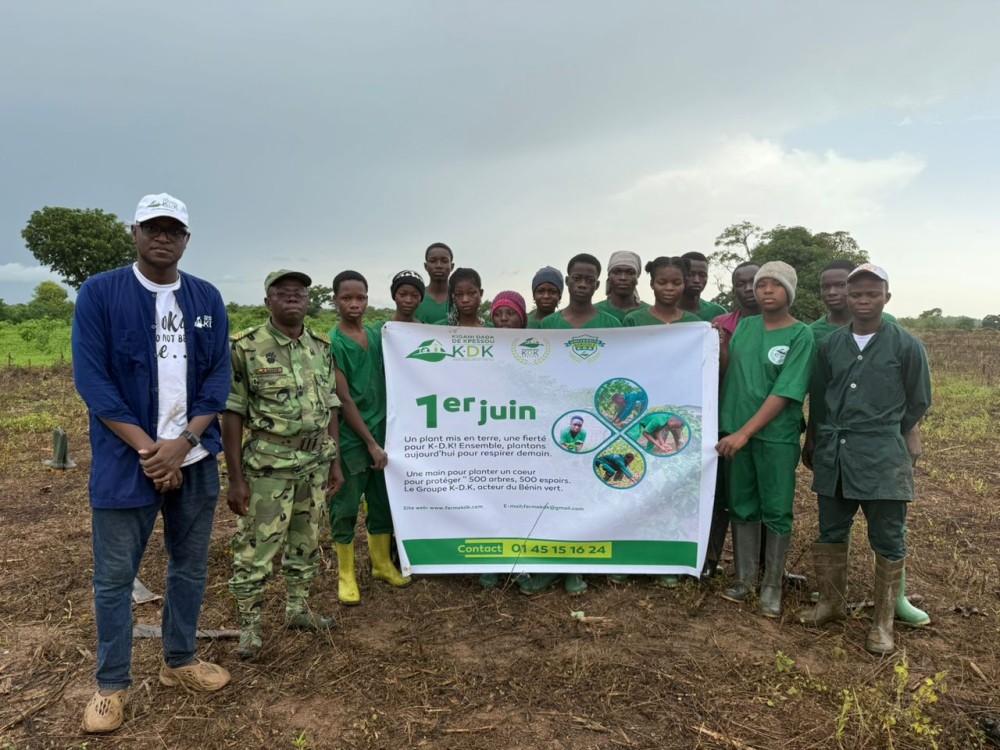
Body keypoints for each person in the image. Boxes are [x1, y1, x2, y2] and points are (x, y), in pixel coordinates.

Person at [72, 193, 231, 733]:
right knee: (115, 579)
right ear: (135, 232)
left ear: (186, 239)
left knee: (189, 567)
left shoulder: (206, 297)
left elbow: (217, 380)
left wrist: (183, 444)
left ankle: (179, 661)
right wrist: (151, 450)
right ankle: (111, 686)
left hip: (195, 457)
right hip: (126, 461)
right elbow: (93, 382)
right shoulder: (100, 293)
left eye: (174, 230)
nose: (163, 237)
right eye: (153, 228)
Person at [798, 264, 931, 654]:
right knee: (831, 528)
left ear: (886, 297)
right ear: (848, 297)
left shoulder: (906, 345)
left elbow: (919, 399)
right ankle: (831, 603)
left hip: (883, 456)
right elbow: (820, 396)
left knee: (888, 536)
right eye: (856, 294)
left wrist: (889, 430)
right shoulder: (831, 345)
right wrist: (817, 439)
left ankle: (883, 621)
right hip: (835, 452)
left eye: (872, 293)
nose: (863, 300)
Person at [225, 270, 344, 657]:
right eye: (283, 293)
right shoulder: (246, 347)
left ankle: (298, 608)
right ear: (268, 302)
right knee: (256, 549)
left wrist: (336, 462)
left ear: (309, 301)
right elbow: (232, 413)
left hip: (314, 463)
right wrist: (236, 479)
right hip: (268, 467)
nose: (293, 299)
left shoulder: (320, 347)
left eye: (300, 294)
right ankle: (250, 625)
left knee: (307, 542)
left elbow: (331, 406)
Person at [716, 261, 814, 617]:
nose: (766, 291)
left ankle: (772, 584)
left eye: (775, 285)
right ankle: (744, 579)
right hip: (733, 432)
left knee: (776, 507)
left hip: (774, 436)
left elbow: (786, 392)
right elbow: (729, 371)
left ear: (789, 291)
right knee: (742, 504)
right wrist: (721, 346)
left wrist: (746, 432)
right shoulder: (744, 328)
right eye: (761, 285)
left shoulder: (800, 335)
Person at [328, 271, 408, 605]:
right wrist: (371, 443)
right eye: (347, 298)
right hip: (351, 438)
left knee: (383, 501)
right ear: (335, 300)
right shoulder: (333, 343)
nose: (355, 304)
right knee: (346, 505)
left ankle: (381, 564)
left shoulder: (376, 335)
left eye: (360, 297)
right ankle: (345, 574)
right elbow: (344, 401)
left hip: (383, 432)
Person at [704, 261, 760, 578]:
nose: (748, 287)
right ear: (733, 286)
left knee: (761, 497)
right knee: (719, 494)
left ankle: (754, 568)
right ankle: (710, 560)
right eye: (741, 282)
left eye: (755, 281)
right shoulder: (720, 324)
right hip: (722, 420)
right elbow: (714, 372)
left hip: (766, 424)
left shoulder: (783, 326)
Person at [809, 259, 898, 344]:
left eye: (840, 285)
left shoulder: (888, 321)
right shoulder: (812, 332)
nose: (832, 292)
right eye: (825, 287)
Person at [540, 254, 622, 329]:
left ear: (597, 285)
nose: (583, 285)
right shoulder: (548, 324)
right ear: (567, 281)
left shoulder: (612, 324)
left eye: (590, 280)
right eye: (576, 278)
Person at [623, 256, 700, 327]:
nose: (669, 288)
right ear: (652, 284)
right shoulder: (633, 320)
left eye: (676, 283)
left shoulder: (694, 322)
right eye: (662, 283)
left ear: (684, 284)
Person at [596, 251, 648, 322]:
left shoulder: (650, 313)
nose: (623, 277)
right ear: (609, 276)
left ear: (637, 277)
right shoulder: (594, 312)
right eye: (616, 272)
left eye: (630, 273)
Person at [680, 251, 727, 322]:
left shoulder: (717, 312)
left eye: (702, 275)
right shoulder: (663, 313)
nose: (697, 280)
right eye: (690, 274)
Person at [414, 242, 453, 323]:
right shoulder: (415, 297)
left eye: (444, 261)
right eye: (433, 261)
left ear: (451, 266)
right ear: (426, 266)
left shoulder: (460, 297)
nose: (438, 265)